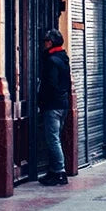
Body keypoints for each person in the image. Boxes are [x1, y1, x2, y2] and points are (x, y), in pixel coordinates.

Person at [38, 29, 71, 186]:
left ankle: (59, 172)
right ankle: (53, 171)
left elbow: (50, 84)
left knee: (53, 139)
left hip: (52, 105)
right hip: (63, 104)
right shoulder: (63, 58)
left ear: (50, 42)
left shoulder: (51, 60)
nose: (44, 44)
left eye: (46, 41)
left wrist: (41, 101)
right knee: (55, 138)